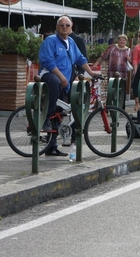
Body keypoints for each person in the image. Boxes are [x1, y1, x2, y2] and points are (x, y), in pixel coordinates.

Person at [39, 15, 99, 156]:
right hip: (50, 75)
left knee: (60, 112)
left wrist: (91, 72)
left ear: (71, 27)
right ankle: (46, 117)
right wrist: (61, 77)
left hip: (65, 80)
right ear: (57, 27)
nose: (64, 27)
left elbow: (80, 59)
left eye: (67, 25)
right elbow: (48, 61)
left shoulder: (71, 41)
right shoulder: (50, 41)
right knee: (54, 82)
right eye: (61, 25)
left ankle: (51, 146)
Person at [93, 34, 132, 109]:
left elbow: (131, 62)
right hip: (112, 73)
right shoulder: (112, 47)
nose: (122, 41)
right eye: (120, 39)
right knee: (111, 90)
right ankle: (109, 107)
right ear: (118, 40)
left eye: (124, 40)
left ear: (126, 42)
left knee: (121, 91)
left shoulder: (128, 50)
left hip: (122, 74)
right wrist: (97, 63)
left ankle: (121, 108)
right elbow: (104, 56)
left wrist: (129, 59)